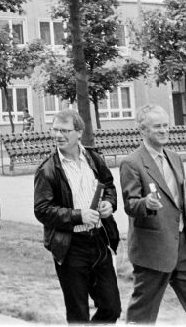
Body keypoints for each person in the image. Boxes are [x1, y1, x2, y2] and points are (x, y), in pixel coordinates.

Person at [120, 104, 186, 324]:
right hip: (152, 251)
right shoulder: (131, 163)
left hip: (184, 246)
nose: (164, 130)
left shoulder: (175, 158)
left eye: (166, 125)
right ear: (143, 130)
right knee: (142, 316)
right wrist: (146, 203)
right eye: (157, 127)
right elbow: (130, 205)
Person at [33, 109, 121, 323]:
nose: (58, 135)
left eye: (64, 130)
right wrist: (77, 216)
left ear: (79, 133)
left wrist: (110, 203)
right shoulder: (48, 169)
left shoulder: (94, 158)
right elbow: (42, 209)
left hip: (99, 240)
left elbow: (108, 185)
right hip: (71, 247)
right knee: (78, 313)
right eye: (55, 130)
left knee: (111, 308)